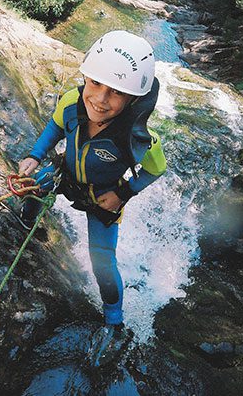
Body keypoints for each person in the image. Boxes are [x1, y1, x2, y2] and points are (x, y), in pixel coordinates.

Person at [16, 30, 167, 360]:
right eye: (96, 84)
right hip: (65, 173)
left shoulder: (137, 138)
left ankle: (114, 320)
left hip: (103, 196)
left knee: (102, 261)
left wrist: (123, 194)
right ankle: (27, 220)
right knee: (36, 184)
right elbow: (54, 127)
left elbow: (157, 169)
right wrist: (35, 155)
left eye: (116, 92)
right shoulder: (72, 101)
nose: (100, 98)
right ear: (85, 76)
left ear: (133, 99)